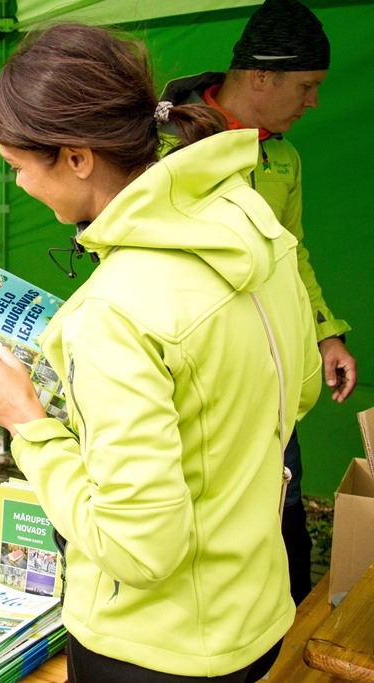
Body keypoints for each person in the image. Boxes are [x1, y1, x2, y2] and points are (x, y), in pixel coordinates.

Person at [0, 23, 322, 682]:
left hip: (152, 649)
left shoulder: (113, 310)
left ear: (77, 157)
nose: (19, 188)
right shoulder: (252, 222)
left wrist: (27, 422)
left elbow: (138, 546)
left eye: (17, 167)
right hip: (255, 614)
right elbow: (296, 390)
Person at [159, 0, 358, 606]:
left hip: (271, 369)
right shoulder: (168, 139)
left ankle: (286, 635)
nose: (314, 102)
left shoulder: (285, 158)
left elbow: (292, 255)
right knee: (202, 507)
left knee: (284, 507)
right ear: (262, 76)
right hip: (195, 369)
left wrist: (326, 332)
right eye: (308, 86)